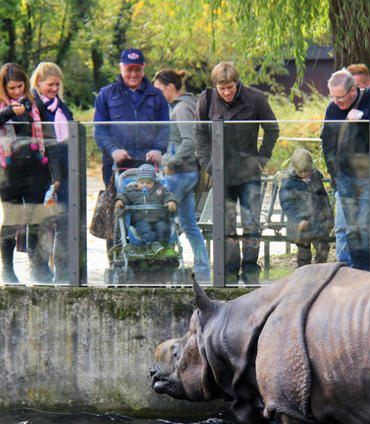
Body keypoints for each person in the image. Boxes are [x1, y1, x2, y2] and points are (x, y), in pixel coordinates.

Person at [194, 61, 279, 284]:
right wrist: (208, 163)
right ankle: (229, 272)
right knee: (226, 223)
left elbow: (272, 128)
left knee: (252, 223)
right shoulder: (206, 100)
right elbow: (200, 134)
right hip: (221, 172)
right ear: (216, 86)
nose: (227, 92)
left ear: (236, 82)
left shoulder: (255, 98)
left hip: (249, 172)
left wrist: (262, 159)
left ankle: (251, 272)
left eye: (230, 87)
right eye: (222, 88)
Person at [0, 62, 61, 284]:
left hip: (36, 168)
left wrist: (56, 175)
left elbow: (49, 136)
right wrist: (7, 112)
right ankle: (7, 268)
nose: (17, 92)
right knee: (13, 217)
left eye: (20, 87)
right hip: (8, 170)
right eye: (12, 89)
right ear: (4, 88)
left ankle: (37, 267)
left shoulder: (35, 104)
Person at [320, 68, 370, 271]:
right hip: (345, 175)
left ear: (353, 90)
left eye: (340, 97)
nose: (336, 102)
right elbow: (328, 141)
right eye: (333, 97)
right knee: (351, 228)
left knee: (366, 225)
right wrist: (334, 173)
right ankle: (356, 269)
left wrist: (364, 115)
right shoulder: (333, 109)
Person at [152, 69, 211, 281]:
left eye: (158, 88)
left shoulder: (181, 109)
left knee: (162, 215)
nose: (156, 92)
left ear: (169, 87)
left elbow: (190, 141)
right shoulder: (185, 106)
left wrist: (171, 162)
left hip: (180, 174)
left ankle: (163, 265)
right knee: (187, 223)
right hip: (186, 173)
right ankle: (203, 269)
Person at [93, 48, 170, 188]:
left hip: (148, 165)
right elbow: (100, 129)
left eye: (137, 69)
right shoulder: (106, 94)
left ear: (143, 68)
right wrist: (113, 150)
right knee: (119, 207)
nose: (133, 74)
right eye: (129, 70)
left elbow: (165, 127)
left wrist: (158, 149)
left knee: (148, 206)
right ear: (121, 68)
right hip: (115, 165)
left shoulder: (157, 95)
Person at [30, 62, 75, 282]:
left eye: (57, 85)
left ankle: (64, 270)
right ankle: (39, 270)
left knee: (64, 221)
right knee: (41, 223)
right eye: (50, 85)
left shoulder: (62, 109)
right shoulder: (32, 107)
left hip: (65, 170)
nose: (54, 89)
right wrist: (54, 176)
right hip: (43, 171)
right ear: (38, 83)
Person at [278, 148, 334, 268]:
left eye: (307, 171)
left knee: (323, 247)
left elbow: (323, 199)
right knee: (304, 253)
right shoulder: (289, 183)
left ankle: (319, 270)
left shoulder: (315, 179)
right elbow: (287, 204)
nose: (304, 174)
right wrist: (297, 220)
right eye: (301, 172)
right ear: (294, 169)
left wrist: (329, 217)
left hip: (318, 222)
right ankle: (303, 274)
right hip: (301, 225)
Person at [115, 164, 177, 253]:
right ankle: (152, 245)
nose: (145, 185)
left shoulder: (159, 190)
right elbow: (124, 197)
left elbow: (167, 196)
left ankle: (163, 245)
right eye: (141, 182)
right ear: (137, 182)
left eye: (148, 183)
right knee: (144, 229)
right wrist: (120, 201)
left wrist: (172, 201)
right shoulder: (131, 191)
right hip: (140, 220)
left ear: (154, 182)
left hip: (159, 219)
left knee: (163, 227)